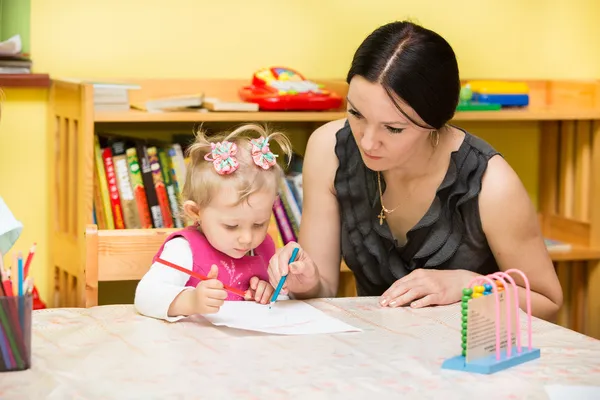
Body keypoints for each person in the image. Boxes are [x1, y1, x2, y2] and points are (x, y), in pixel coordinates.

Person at [268, 21, 563, 321]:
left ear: (434, 123)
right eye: (356, 113)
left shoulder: (491, 184)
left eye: (393, 128)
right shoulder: (328, 150)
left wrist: (469, 286)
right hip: (374, 351)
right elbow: (324, 290)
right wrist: (304, 280)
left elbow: (547, 301)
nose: (368, 142)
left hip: (469, 357)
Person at [135, 123, 292, 321]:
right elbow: (145, 296)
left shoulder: (265, 248)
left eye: (259, 224)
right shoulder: (184, 250)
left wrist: (270, 294)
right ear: (196, 212)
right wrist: (191, 301)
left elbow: (285, 306)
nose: (247, 238)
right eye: (231, 226)